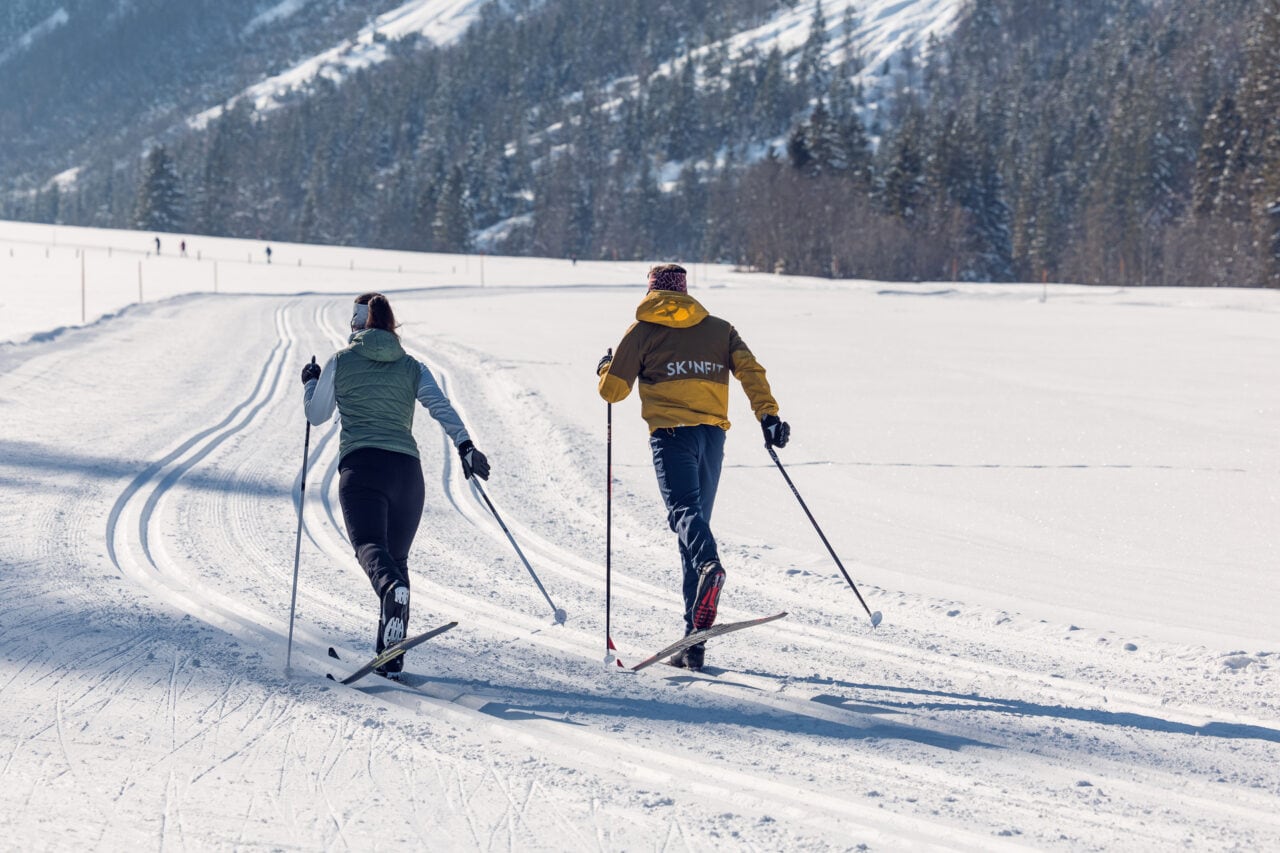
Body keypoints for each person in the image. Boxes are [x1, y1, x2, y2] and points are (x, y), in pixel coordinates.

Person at [597, 264, 790, 670]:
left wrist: (603, 368)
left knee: (683, 514)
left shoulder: (642, 331)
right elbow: (751, 372)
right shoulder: (719, 329)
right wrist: (768, 416)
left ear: (651, 291)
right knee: (695, 523)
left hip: (672, 436)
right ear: (686, 290)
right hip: (712, 438)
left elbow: (613, 391)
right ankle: (693, 641)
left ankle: (710, 567)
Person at [301, 292, 491, 678]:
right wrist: (465, 446)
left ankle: (389, 594)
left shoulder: (341, 361)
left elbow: (317, 415)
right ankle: (391, 655)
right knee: (397, 560)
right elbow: (441, 406)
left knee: (371, 548)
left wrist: (310, 383)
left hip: (363, 468)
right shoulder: (412, 366)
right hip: (408, 473)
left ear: (355, 325)